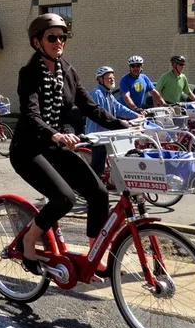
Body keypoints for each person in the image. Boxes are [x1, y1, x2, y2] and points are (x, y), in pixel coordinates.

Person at [10, 14, 128, 275]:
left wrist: (124, 125)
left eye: (62, 37)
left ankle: (95, 253)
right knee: (64, 198)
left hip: (55, 148)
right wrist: (56, 134)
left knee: (99, 193)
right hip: (28, 150)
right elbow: (31, 115)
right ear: (37, 42)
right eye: (52, 37)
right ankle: (29, 240)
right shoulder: (29, 73)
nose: (59, 41)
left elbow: (89, 107)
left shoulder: (69, 72)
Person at [86, 67, 140, 178]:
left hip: (107, 135)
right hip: (98, 136)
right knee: (97, 167)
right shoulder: (97, 94)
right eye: (109, 78)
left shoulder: (108, 94)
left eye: (113, 78)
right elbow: (102, 116)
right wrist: (119, 123)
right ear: (101, 80)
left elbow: (119, 108)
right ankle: (91, 189)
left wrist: (136, 115)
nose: (112, 80)